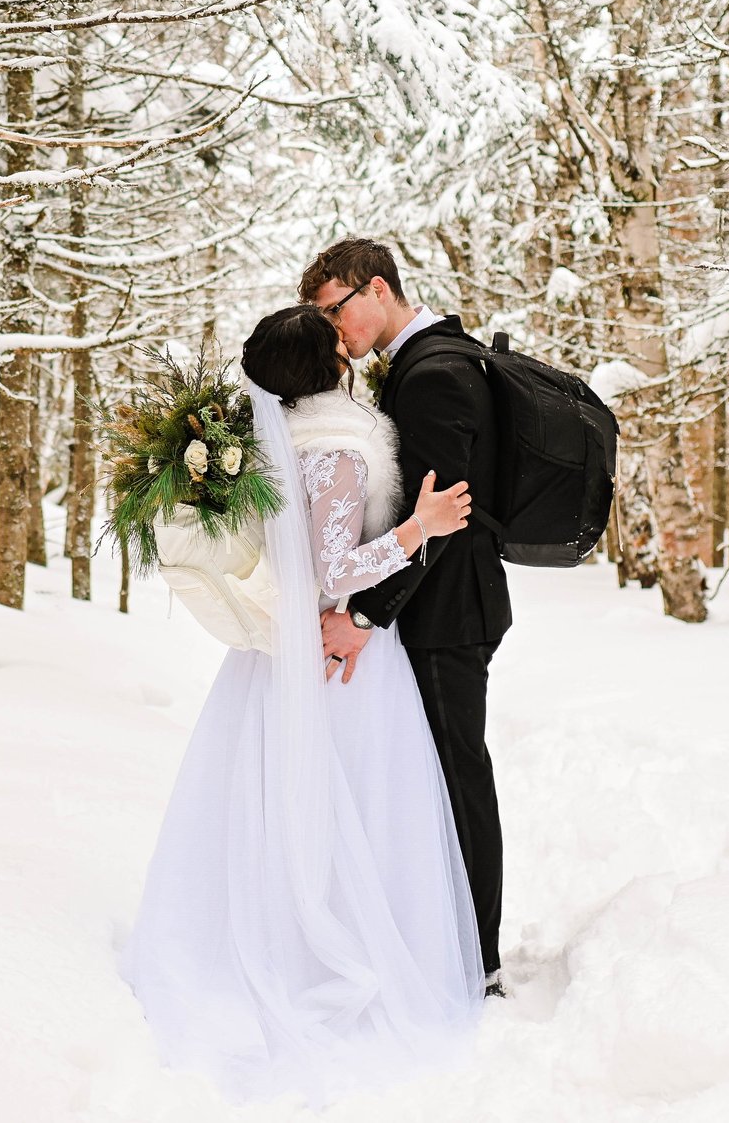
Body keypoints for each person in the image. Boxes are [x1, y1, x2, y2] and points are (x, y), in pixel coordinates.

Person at [121, 306, 483, 1103]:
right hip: (339, 656)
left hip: (280, 661)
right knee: (349, 804)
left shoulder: (280, 435)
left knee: (278, 801)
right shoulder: (339, 450)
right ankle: (323, 953)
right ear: (329, 365)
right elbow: (336, 572)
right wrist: (417, 527)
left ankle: (268, 932)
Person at [301, 238, 512, 993]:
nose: (331, 328)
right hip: (440, 606)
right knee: (431, 778)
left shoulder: (433, 375)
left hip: (447, 611)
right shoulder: (430, 362)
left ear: (378, 290)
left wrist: (364, 612)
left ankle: (477, 956)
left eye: (334, 309)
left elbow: (441, 519)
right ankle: (446, 941)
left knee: (457, 777)